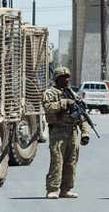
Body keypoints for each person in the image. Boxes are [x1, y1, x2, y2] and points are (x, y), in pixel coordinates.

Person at [42, 66, 90, 199]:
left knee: (71, 162)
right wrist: (64, 103)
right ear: (57, 79)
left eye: (68, 77)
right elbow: (48, 107)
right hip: (58, 131)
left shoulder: (72, 94)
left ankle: (66, 189)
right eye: (64, 77)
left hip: (72, 132)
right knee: (57, 161)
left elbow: (82, 115)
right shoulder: (50, 93)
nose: (67, 80)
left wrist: (85, 133)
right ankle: (53, 189)